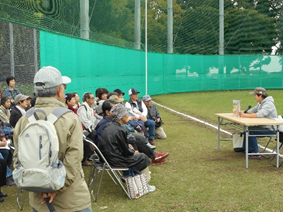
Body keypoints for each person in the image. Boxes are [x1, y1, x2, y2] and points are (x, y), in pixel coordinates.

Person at [13, 66, 91, 212]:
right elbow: (74, 158)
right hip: (71, 199)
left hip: (38, 198)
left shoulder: (24, 120)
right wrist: (55, 186)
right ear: (59, 90)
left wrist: (42, 187)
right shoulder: (70, 118)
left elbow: (18, 158)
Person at [98, 103, 155, 191]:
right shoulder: (119, 130)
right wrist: (133, 151)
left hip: (107, 158)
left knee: (137, 153)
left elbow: (119, 146)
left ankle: (131, 177)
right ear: (122, 116)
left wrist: (129, 149)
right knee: (142, 157)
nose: (128, 116)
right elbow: (125, 151)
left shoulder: (109, 126)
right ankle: (143, 184)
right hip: (115, 160)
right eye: (126, 114)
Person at [239, 87, 277, 158]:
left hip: (271, 129)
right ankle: (246, 149)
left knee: (250, 131)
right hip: (264, 127)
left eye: (255, 95)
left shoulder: (269, 104)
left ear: (260, 95)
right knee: (248, 129)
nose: (254, 97)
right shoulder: (260, 103)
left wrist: (245, 115)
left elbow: (260, 114)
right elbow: (253, 111)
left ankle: (255, 152)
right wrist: (243, 112)